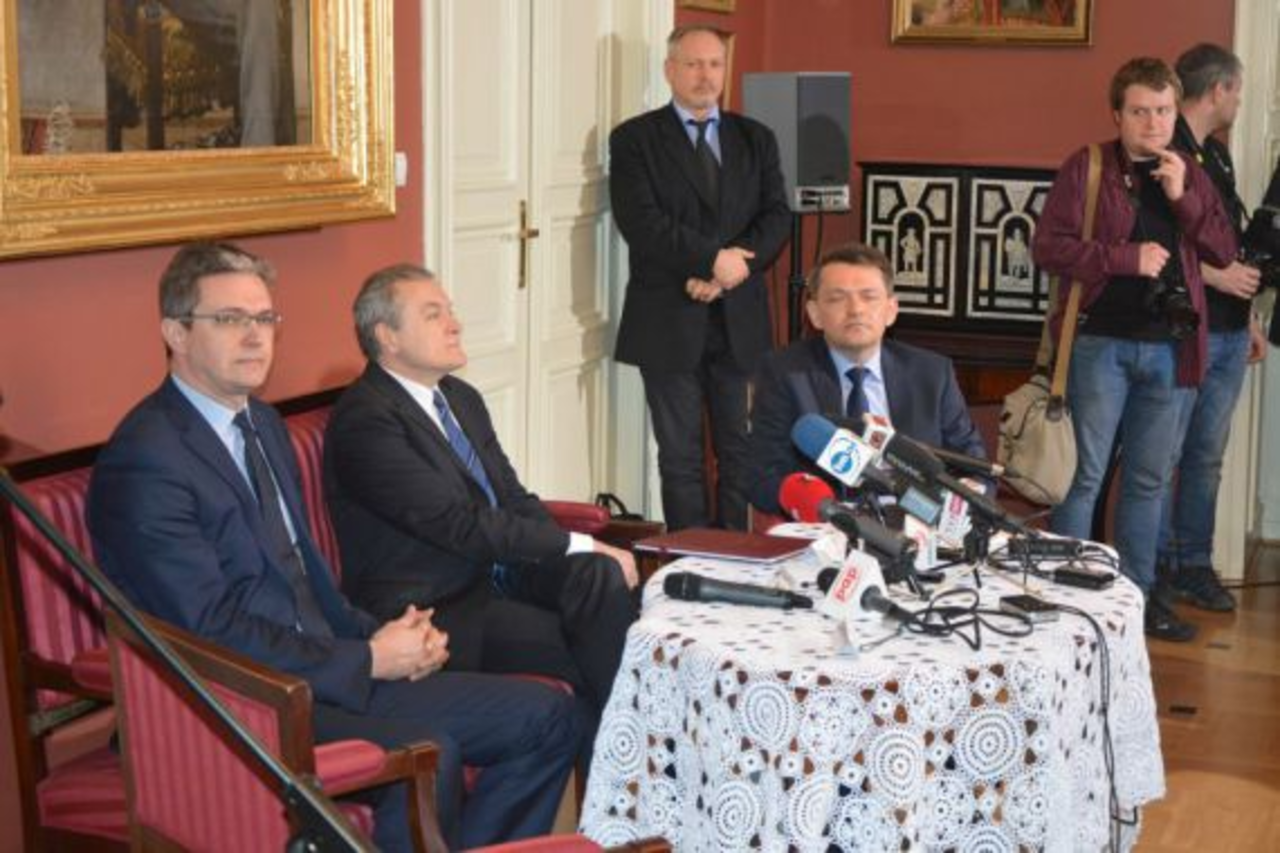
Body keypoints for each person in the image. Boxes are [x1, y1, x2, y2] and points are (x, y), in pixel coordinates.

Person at [86, 243, 581, 851]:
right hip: (242, 698)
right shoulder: (148, 459)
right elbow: (205, 628)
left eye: (265, 318)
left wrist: (387, 636)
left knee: (546, 718)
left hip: (324, 667)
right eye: (230, 319)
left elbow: (306, 578)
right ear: (176, 332)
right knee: (430, 752)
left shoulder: (262, 424)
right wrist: (365, 659)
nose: (255, 336)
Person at [323, 264, 639, 731]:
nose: (455, 324)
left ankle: (630, 755)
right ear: (387, 336)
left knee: (597, 576)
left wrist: (581, 551)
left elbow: (512, 497)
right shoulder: (367, 420)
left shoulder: (459, 397)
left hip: (496, 574)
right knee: (595, 646)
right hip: (440, 605)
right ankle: (630, 759)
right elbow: (459, 524)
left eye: (450, 311)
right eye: (433, 315)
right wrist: (581, 542)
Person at [1032, 57, 1237, 642]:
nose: (1153, 123)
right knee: (1085, 476)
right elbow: (1048, 248)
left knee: (1149, 480)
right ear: (1117, 115)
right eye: (1141, 112)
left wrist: (1183, 197)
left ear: (1176, 112)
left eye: (1164, 111)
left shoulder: (1189, 171)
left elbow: (1223, 250)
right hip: (1100, 344)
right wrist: (1125, 259)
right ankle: (1069, 599)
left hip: (1171, 349)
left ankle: (1138, 600)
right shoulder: (1089, 166)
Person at [609, 24, 791, 531]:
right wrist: (713, 261)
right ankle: (689, 557)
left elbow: (777, 217)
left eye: (714, 64)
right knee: (680, 458)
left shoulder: (756, 138)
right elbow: (642, 223)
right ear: (670, 70)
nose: (705, 75)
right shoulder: (634, 139)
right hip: (667, 318)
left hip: (740, 320)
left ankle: (736, 555)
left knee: (739, 451)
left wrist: (730, 273)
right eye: (693, 64)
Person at [747, 242, 987, 516]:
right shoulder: (784, 374)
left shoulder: (932, 373)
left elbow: (975, 465)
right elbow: (761, 476)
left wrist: (964, 500)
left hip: (918, 525)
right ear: (815, 314)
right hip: (828, 526)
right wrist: (817, 505)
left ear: (891, 310)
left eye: (869, 297)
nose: (856, 310)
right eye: (838, 298)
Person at [1159, 44, 1268, 614]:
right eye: (1237, 91)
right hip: (1183, 330)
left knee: (1206, 455)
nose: (1239, 102)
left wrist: (1249, 316)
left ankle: (1193, 565)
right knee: (1165, 454)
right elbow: (1153, 245)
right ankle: (1155, 570)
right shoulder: (1165, 150)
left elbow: (1232, 244)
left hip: (1228, 329)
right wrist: (1218, 278)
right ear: (1218, 89)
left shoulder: (1218, 156)